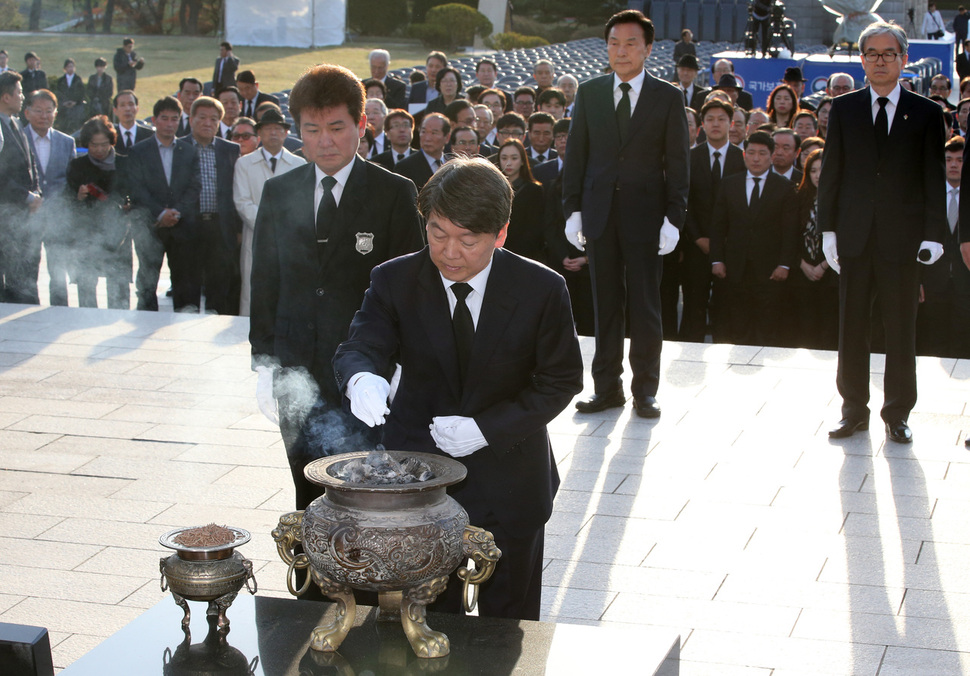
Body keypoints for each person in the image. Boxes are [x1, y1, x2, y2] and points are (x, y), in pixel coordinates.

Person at [333, 156, 584, 621]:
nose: (450, 253)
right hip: (419, 479)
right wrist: (361, 377)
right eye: (437, 233)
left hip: (510, 478)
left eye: (468, 240)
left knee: (507, 622)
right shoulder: (395, 279)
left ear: (500, 233)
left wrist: (487, 428)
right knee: (424, 617)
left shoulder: (541, 288)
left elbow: (560, 379)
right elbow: (362, 344)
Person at [249, 63, 424, 511]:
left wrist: (402, 364)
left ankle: (360, 580)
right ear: (298, 131)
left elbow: (411, 288)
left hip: (365, 372)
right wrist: (265, 361)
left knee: (362, 488)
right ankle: (310, 580)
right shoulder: (279, 191)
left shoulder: (394, 193)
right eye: (312, 129)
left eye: (336, 127)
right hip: (296, 365)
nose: (324, 141)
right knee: (306, 490)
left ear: (362, 125)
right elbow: (266, 278)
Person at [819, 21, 947, 444]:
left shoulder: (928, 113)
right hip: (854, 236)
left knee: (900, 328)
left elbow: (932, 177)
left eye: (888, 53)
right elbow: (832, 174)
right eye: (871, 53)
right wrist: (828, 231)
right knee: (851, 326)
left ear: (903, 59)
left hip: (903, 239)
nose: (879, 61)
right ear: (861, 60)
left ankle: (897, 414)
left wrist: (933, 234)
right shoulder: (845, 108)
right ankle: (853, 409)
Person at [563, 9, 689, 418]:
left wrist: (674, 217)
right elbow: (577, 156)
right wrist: (573, 211)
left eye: (631, 43)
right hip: (599, 214)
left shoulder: (668, 96)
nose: (621, 51)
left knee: (646, 307)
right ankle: (606, 388)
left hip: (647, 218)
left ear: (648, 48)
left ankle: (645, 390)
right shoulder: (590, 91)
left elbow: (678, 164)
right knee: (605, 305)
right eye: (614, 43)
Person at [710, 130, 798, 346]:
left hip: (770, 269)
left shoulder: (784, 187)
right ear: (744, 155)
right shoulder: (729, 184)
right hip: (735, 267)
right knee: (737, 323)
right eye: (751, 153)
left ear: (771, 156)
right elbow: (718, 225)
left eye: (762, 153)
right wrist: (716, 259)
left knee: (767, 326)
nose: (756, 158)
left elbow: (790, 231)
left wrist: (784, 264)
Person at [126, 96, 201, 312]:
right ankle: (145, 326)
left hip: (181, 225)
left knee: (183, 281)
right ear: (154, 120)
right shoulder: (139, 151)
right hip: (151, 226)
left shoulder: (188, 151)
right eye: (165, 119)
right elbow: (137, 188)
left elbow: (194, 187)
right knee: (147, 282)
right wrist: (160, 213)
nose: (170, 124)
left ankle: (182, 327)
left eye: (174, 119)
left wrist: (176, 212)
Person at [682, 99, 746, 343]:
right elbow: (683, 201)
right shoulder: (689, 157)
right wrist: (698, 237)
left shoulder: (743, 159)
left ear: (731, 124)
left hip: (731, 248)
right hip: (696, 245)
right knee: (693, 306)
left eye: (721, 119)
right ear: (702, 125)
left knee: (726, 308)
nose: (716, 124)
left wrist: (724, 242)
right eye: (710, 119)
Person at [233, 108, 305, 316]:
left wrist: (284, 227)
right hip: (256, 236)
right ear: (260, 134)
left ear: (285, 133)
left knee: (287, 290)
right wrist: (268, 225)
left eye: (278, 129)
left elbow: (301, 202)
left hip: (289, 239)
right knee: (253, 291)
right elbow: (242, 202)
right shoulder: (244, 163)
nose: (273, 133)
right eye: (268, 129)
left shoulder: (298, 164)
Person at [65, 115, 132, 309]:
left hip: (118, 231)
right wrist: (78, 196)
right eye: (94, 145)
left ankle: (118, 319)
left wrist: (127, 204)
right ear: (87, 144)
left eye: (104, 144)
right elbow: (68, 201)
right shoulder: (78, 166)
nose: (100, 149)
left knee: (118, 282)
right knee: (87, 282)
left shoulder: (124, 164)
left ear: (112, 141)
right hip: (87, 231)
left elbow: (134, 195)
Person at [186, 95, 242, 315]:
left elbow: (236, 190)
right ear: (191, 119)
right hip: (189, 226)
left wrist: (237, 229)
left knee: (218, 285)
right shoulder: (179, 147)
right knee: (187, 284)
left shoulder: (230, 150)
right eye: (202, 117)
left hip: (220, 227)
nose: (207, 123)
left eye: (213, 119)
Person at [917, 136, 970, 357]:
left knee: (962, 342)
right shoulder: (928, 196)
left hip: (965, 282)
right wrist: (916, 278)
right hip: (932, 282)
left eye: (960, 159)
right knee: (932, 341)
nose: (955, 164)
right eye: (949, 159)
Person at [23, 89, 76, 307]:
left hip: (57, 217)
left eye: (49, 111)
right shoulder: (18, 138)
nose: (44, 116)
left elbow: (71, 180)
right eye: (38, 111)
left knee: (58, 272)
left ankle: (60, 312)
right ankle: (27, 310)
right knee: (28, 269)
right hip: (29, 216)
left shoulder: (66, 142)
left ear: (56, 113)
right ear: (27, 112)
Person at [0, 72, 42, 303]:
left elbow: (30, 163)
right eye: (19, 92)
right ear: (6, 97)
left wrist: (36, 194)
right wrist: (26, 197)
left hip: (24, 217)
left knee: (24, 279)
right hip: (5, 217)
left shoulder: (15, 123)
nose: (22, 97)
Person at [791, 148, 838, 349]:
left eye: (823, 169)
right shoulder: (797, 197)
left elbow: (845, 237)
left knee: (829, 326)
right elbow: (789, 234)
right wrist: (803, 264)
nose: (818, 175)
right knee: (804, 326)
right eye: (813, 170)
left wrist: (823, 265)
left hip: (832, 271)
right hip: (801, 269)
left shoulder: (840, 199)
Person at [497, 139, 546, 262]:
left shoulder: (534, 190)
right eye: (504, 158)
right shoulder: (491, 188)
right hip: (496, 250)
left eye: (514, 158)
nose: (509, 163)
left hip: (525, 254)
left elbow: (535, 229)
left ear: (523, 161)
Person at [395, 112, 449, 190]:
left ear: (447, 137)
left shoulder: (453, 163)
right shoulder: (405, 167)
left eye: (434, 133)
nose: (427, 138)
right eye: (423, 132)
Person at [54, 58, 86, 134]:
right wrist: (64, 102)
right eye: (69, 66)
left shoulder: (78, 79)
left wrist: (75, 102)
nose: (70, 68)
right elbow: (59, 93)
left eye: (72, 66)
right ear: (65, 68)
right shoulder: (61, 80)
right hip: (64, 105)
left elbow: (81, 93)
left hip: (76, 105)